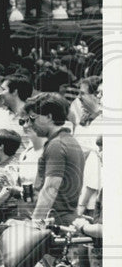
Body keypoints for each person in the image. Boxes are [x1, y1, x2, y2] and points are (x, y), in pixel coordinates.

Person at [24, 93, 84, 225]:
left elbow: (51, 188)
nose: (29, 124)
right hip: (63, 218)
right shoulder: (67, 140)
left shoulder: (57, 145)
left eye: (33, 118)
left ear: (49, 117)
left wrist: (35, 223)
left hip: (57, 221)